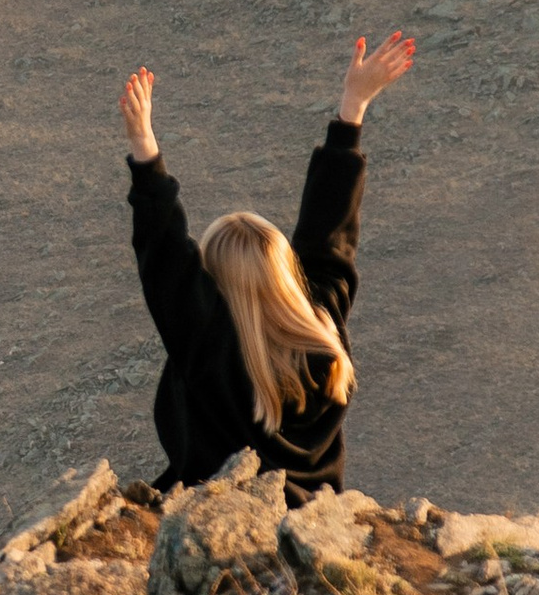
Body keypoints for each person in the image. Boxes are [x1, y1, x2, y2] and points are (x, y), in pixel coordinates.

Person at [119, 31, 415, 494]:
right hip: (314, 528)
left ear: (212, 283)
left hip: (214, 523)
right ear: (285, 274)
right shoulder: (324, 328)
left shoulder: (209, 346)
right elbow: (329, 235)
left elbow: (165, 257)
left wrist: (144, 147)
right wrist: (352, 107)